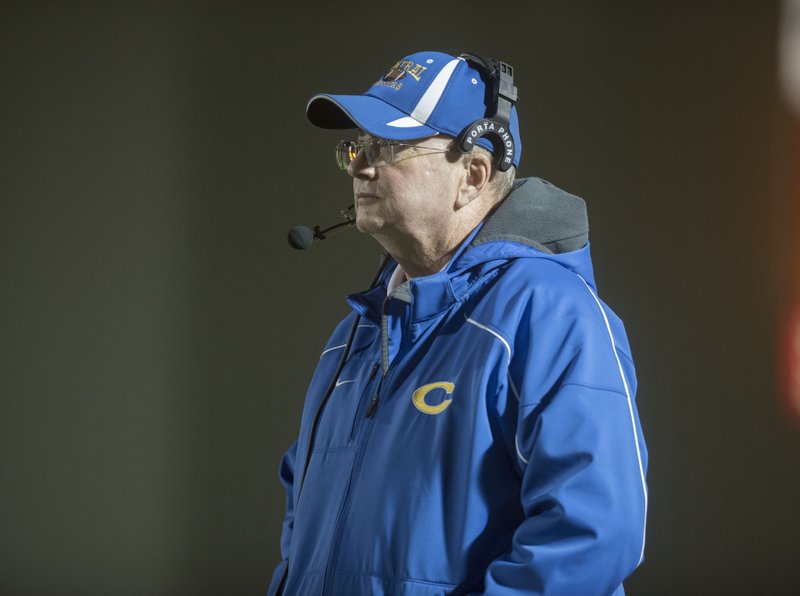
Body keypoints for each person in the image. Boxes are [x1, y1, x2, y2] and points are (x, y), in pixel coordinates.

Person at [269, 50, 648, 595]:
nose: (359, 165)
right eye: (357, 146)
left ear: (473, 173)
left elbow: (593, 536)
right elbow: (301, 514)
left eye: (390, 146)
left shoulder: (549, 313)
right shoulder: (353, 338)